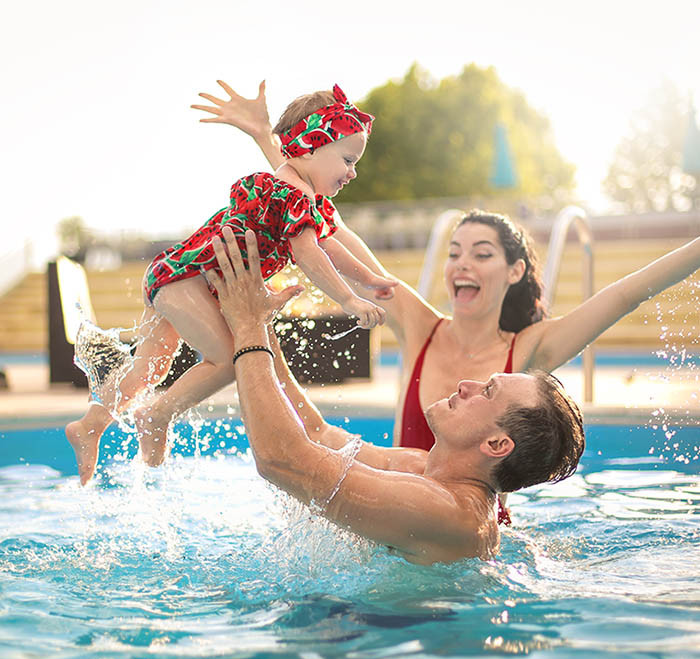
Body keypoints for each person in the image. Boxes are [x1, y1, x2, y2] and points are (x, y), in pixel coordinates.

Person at [196, 79, 700, 524]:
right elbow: (324, 224)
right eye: (454, 252)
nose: (461, 265)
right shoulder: (421, 331)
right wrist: (273, 141)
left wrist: (247, 328)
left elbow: (626, 293)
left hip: (427, 523)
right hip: (395, 507)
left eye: (481, 254)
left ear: (515, 271)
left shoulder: (528, 358)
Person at [67, 84, 397, 484]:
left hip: (175, 275)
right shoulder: (290, 194)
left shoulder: (301, 197)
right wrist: (347, 299)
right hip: (188, 280)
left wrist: (371, 279)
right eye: (347, 159)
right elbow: (311, 255)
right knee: (228, 361)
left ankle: (90, 424)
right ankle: (156, 416)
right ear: (310, 147)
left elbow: (329, 244)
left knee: (151, 366)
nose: (353, 172)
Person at [205, 227, 585, 565]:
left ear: (497, 443)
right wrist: (259, 322)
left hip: (392, 636)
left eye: (487, 391)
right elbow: (316, 435)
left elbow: (283, 461)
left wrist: (248, 327)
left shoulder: (447, 512)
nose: (467, 385)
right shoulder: (423, 468)